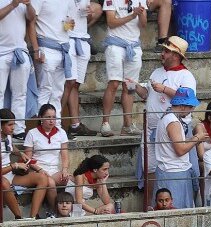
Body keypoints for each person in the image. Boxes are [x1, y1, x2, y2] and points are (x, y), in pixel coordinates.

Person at [129, 36, 196, 191]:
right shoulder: (156, 72)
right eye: (163, 50)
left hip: (172, 130)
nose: (162, 54)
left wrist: (165, 89)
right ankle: (152, 203)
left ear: (176, 56)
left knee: (170, 167)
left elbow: (189, 99)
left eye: (166, 51)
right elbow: (147, 95)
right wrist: (134, 86)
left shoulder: (186, 76)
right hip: (151, 127)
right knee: (150, 167)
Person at [154, 87, 208, 209]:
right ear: (183, 106)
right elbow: (180, 150)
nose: (191, 110)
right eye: (190, 107)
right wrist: (197, 138)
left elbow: (178, 144)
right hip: (173, 173)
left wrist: (194, 138)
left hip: (173, 171)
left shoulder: (169, 117)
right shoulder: (173, 121)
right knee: (176, 212)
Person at [100, 0, 147, 137]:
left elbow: (143, 25)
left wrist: (141, 14)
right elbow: (111, 22)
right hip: (115, 45)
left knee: (130, 86)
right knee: (114, 83)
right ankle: (105, 124)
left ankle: (127, 125)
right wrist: (133, 15)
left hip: (133, 46)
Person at [63, 0, 101, 139]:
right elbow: (55, 20)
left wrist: (91, 15)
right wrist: (67, 27)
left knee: (76, 84)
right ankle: (56, 123)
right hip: (67, 39)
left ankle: (75, 125)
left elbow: (84, 19)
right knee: (69, 83)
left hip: (83, 40)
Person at [34, 0, 75, 125]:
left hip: (62, 47)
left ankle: (56, 126)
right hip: (46, 46)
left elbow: (66, 23)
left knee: (57, 91)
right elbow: (31, 21)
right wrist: (36, 49)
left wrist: (70, 25)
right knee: (44, 89)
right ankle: (41, 126)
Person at [0, 0, 36, 140]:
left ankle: (19, 129)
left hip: (19, 51)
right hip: (1, 52)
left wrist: (28, 5)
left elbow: (31, 18)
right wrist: (13, 5)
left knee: (20, 93)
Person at [23, 103, 70, 192]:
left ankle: (72, 204)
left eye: (54, 117)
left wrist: (64, 170)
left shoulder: (61, 132)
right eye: (48, 117)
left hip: (54, 170)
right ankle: (54, 206)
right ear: (41, 118)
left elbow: (65, 157)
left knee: (74, 180)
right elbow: (27, 159)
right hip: (38, 170)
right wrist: (39, 169)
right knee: (51, 183)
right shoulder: (32, 133)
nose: (51, 121)